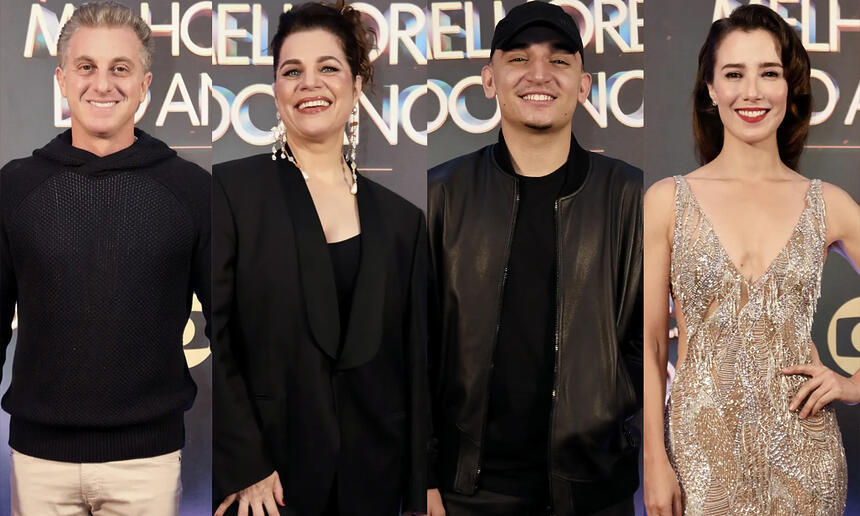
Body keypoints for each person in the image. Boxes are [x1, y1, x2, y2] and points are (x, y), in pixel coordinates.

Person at [211, 2, 428, 515]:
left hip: (374, 484)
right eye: (293, 71)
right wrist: (246, 465)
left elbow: (415, 367)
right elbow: (215, 341)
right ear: (276, 90)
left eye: (328, 68)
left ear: (356, 87)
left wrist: (421, 485)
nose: (310, 84)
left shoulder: (402, 221)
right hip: (267, 488)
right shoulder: (231, 192)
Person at [426, 3, 643, 515]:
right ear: (489, 79)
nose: (539, 75)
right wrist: (423, 473)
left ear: (584, 84)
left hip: (595, 487)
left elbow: (647, 341)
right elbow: (415, 348)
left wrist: (622, 436)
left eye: (560, 61)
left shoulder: (629, 193)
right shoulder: (441, 193)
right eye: (519, 58)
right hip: (467, 492)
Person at [643, 5, 860, 515]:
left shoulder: (827, 203)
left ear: (790, 87)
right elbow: (653, 342)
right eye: (734, 74)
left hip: (806, 459)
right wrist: (655, 460)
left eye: (769, 73)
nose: (753, 92)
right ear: (711, 89)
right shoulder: (666, 201)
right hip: (699, 459)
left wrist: (852, 385)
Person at [0, 2, 211, 515]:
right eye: (86, 67)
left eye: (120, 68)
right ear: (61, 79)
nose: (102, 84)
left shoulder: (190, 190)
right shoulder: (15, 186)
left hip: (148, 462)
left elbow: (236, 326)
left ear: (145, 84)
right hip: (39, 461)